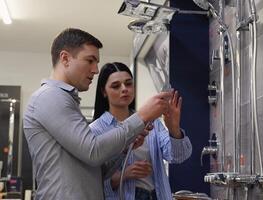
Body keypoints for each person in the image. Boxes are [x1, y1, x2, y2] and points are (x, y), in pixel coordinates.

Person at [23, 28, 172, 200]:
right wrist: (142, 116)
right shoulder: (50, 97)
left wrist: (123, 149)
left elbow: (97, 170)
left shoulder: (65, 100)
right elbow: (93, 151)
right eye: (90, 60)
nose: (96, 69)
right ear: (65, 58)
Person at [90, 62, 192, 200]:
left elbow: (178, 156)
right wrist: (124, 174)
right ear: (103, 91)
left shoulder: (151, 121)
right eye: (116, 86)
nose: (124, 89)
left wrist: (173, 128)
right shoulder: (96, 130)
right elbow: (91, 182)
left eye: (128, 83)